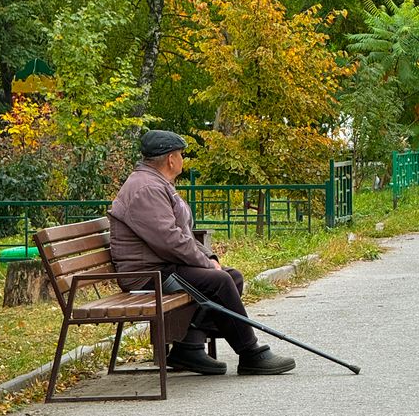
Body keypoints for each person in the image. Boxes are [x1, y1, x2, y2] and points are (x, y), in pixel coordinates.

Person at [108, 129, 296, 376]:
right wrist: (208, 266)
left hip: (163, 266)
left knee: (232, 276)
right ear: (170, 159)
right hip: (147, 275)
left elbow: (183, 233)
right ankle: (250, 353)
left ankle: (190, 347)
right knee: (218, 281)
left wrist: (209, 258)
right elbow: (170, 241)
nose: (182, 160)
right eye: (181, 155)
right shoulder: (146, 188)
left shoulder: (156, 183)